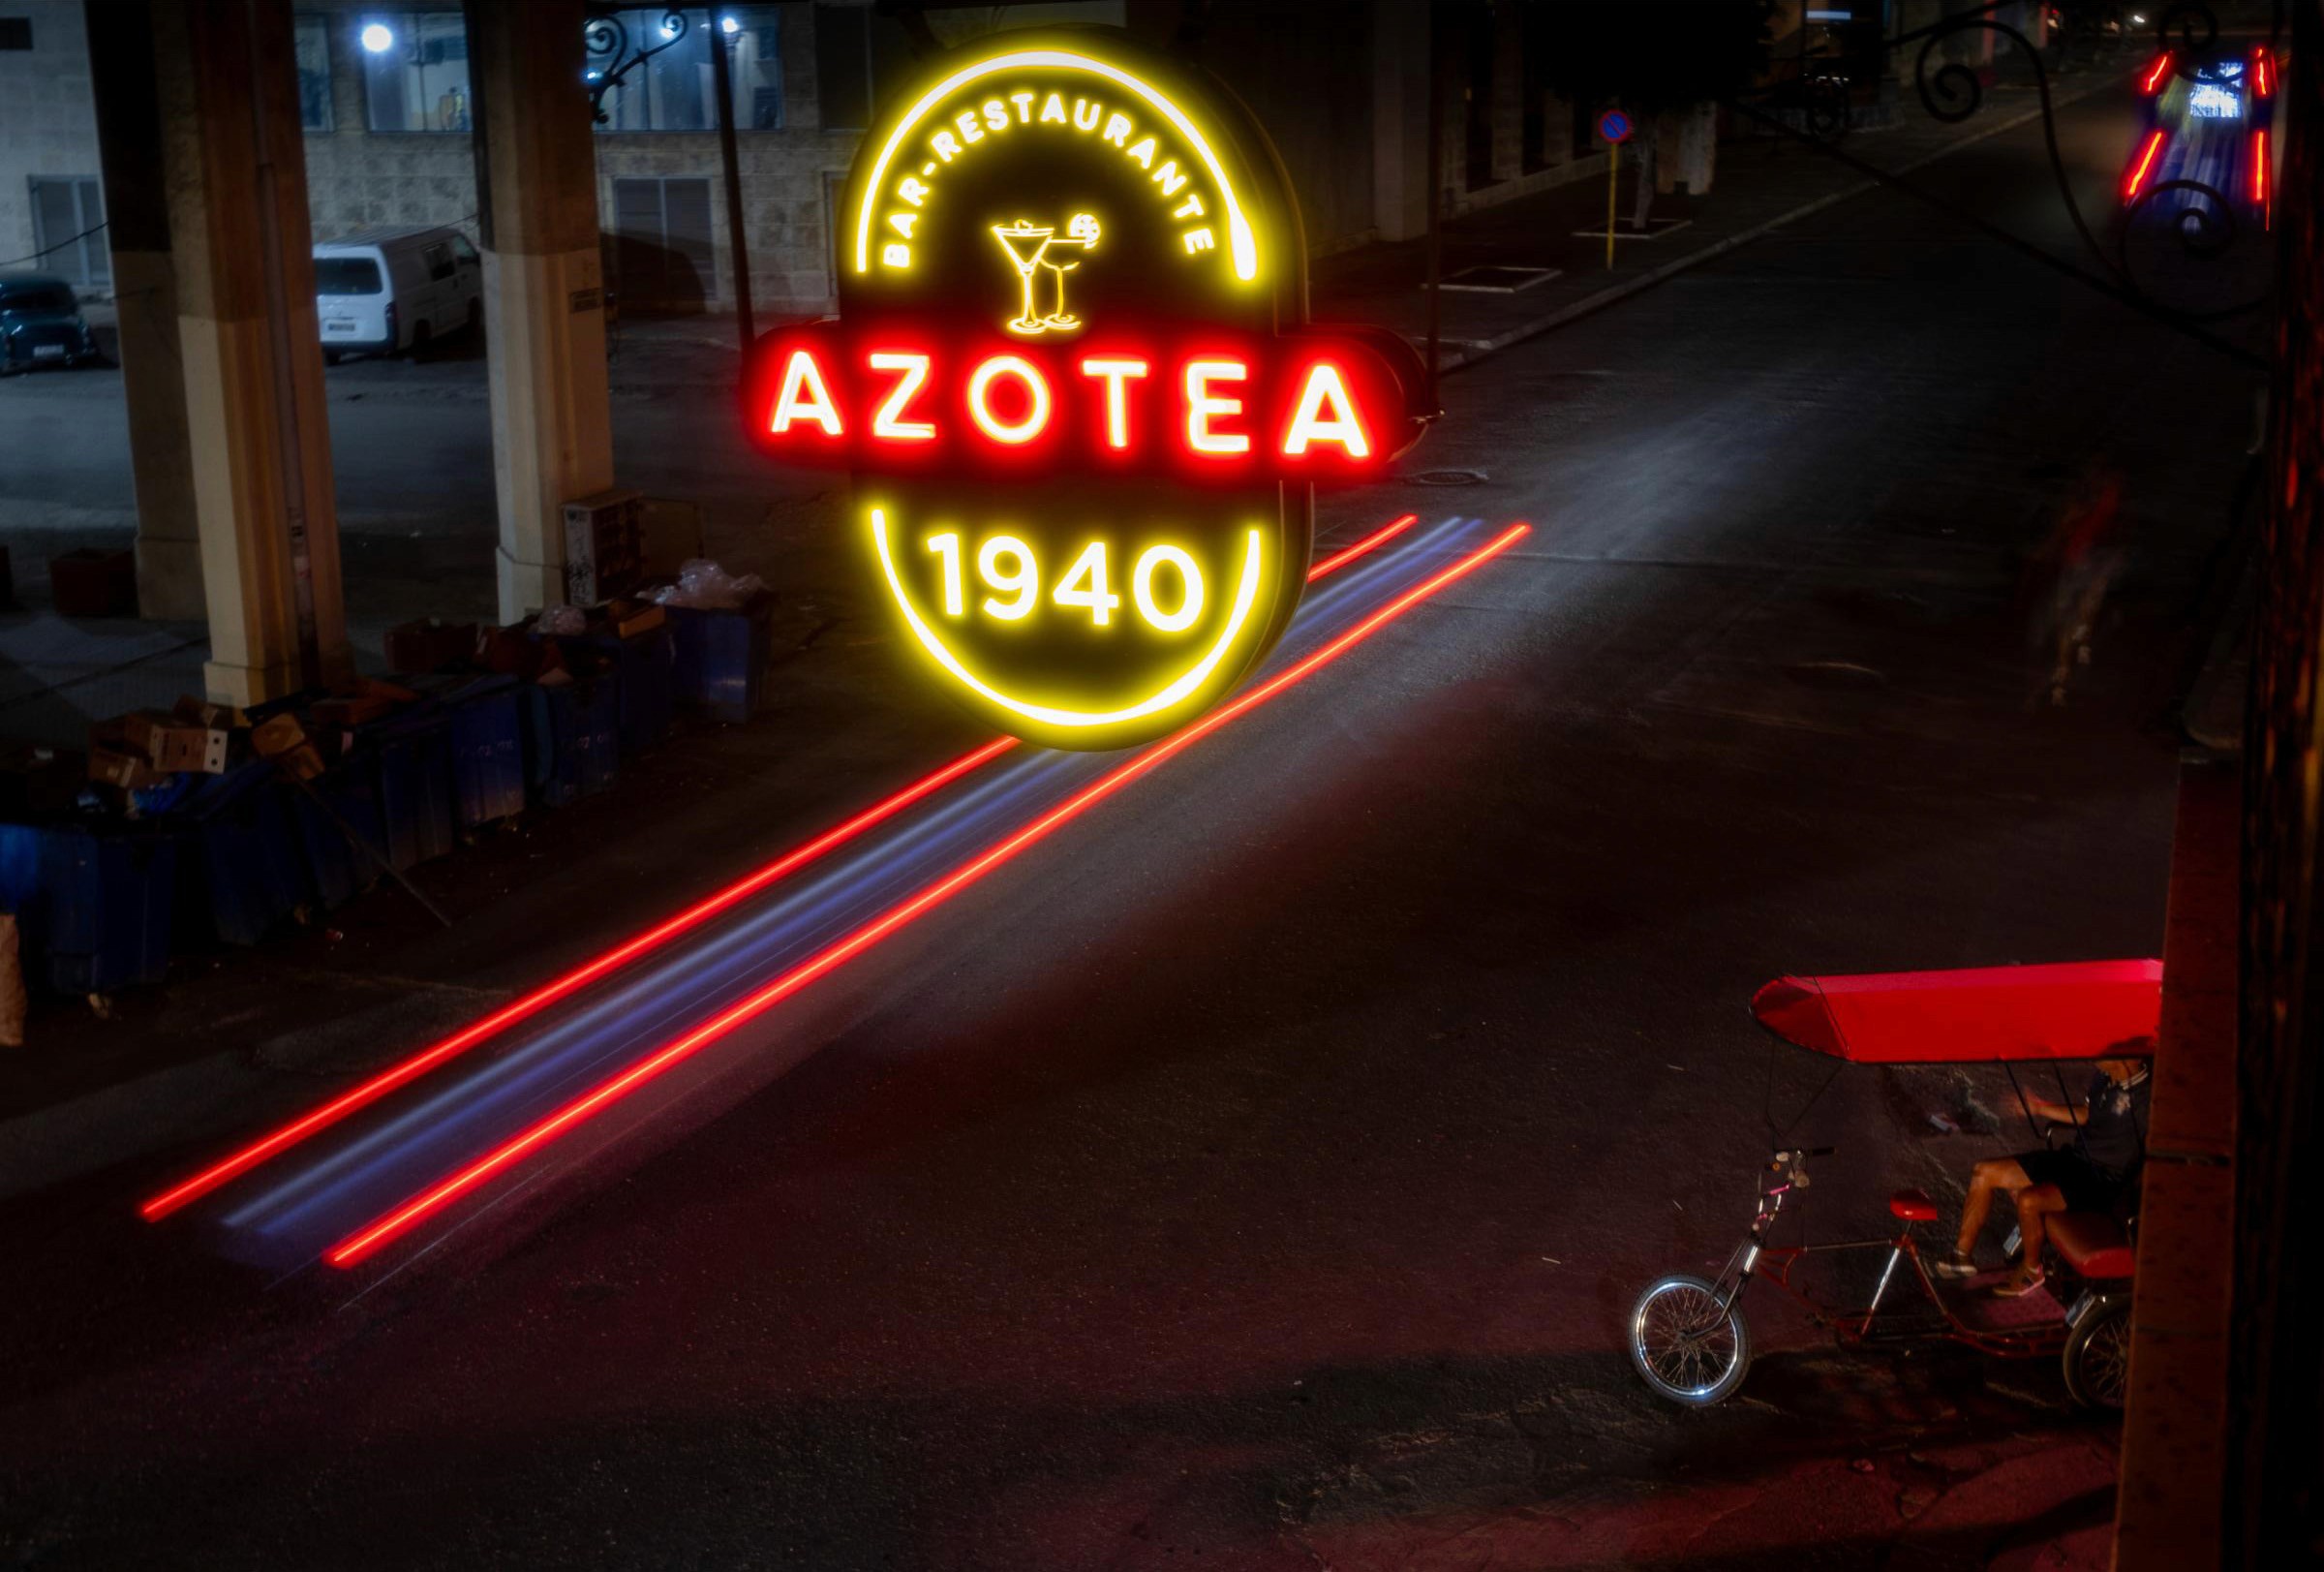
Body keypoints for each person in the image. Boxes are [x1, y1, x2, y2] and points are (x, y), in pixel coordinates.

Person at [1933, 1048, 2152, 1297]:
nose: (2093, 1053)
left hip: (2102, 1180)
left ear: (2127, 1059)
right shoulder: (2103, 1077)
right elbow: (2087, 1115)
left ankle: (2032, 1271)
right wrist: (2039, 1108)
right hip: (2075, 1160)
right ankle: (1961, 1257)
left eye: (2104, 1051)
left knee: (2028, 1199)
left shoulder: (2148, 1098)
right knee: (1984, 1172)